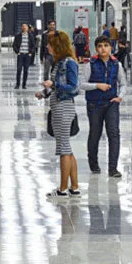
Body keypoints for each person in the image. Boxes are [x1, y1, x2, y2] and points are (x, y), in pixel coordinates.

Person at [36, 31, 80, 198]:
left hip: (64, 108)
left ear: (58, 46)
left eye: (50, 44)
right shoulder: (59, 62)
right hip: (58, 106)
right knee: (67, 148)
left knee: (63, 149)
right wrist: (44, 92)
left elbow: (73, 87)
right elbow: (56, 87)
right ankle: (74, 187)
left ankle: (62, 190)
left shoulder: (69, 63)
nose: (47, 46)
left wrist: (53, 83)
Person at [81, 36, 126, 178]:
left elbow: (123, 83)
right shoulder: (91, 64)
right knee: (95, 133)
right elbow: (81, 84)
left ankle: (113, 168)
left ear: (111, 47)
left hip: (111, 103)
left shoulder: (116, 64)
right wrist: (97, 85)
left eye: (106, 45)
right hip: (94, 104)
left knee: (114, 133)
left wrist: (120, 96)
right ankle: (93, 164)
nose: (103, 48)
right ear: (96, 49)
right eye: (100, 46)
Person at [13, 23, 36, 89]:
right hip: (20, 54)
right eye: (23, 26)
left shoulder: (31, 36)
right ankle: (17, 84)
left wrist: (31, 53)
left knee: (26, 70)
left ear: (27, 28)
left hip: (27, 55)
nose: (24, 28)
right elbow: (14, 45)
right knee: (19, 69)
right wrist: (17, 52)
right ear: (21, 28)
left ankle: (24, 84)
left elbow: (33, 45)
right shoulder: (18, 36)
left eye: (25, 26)